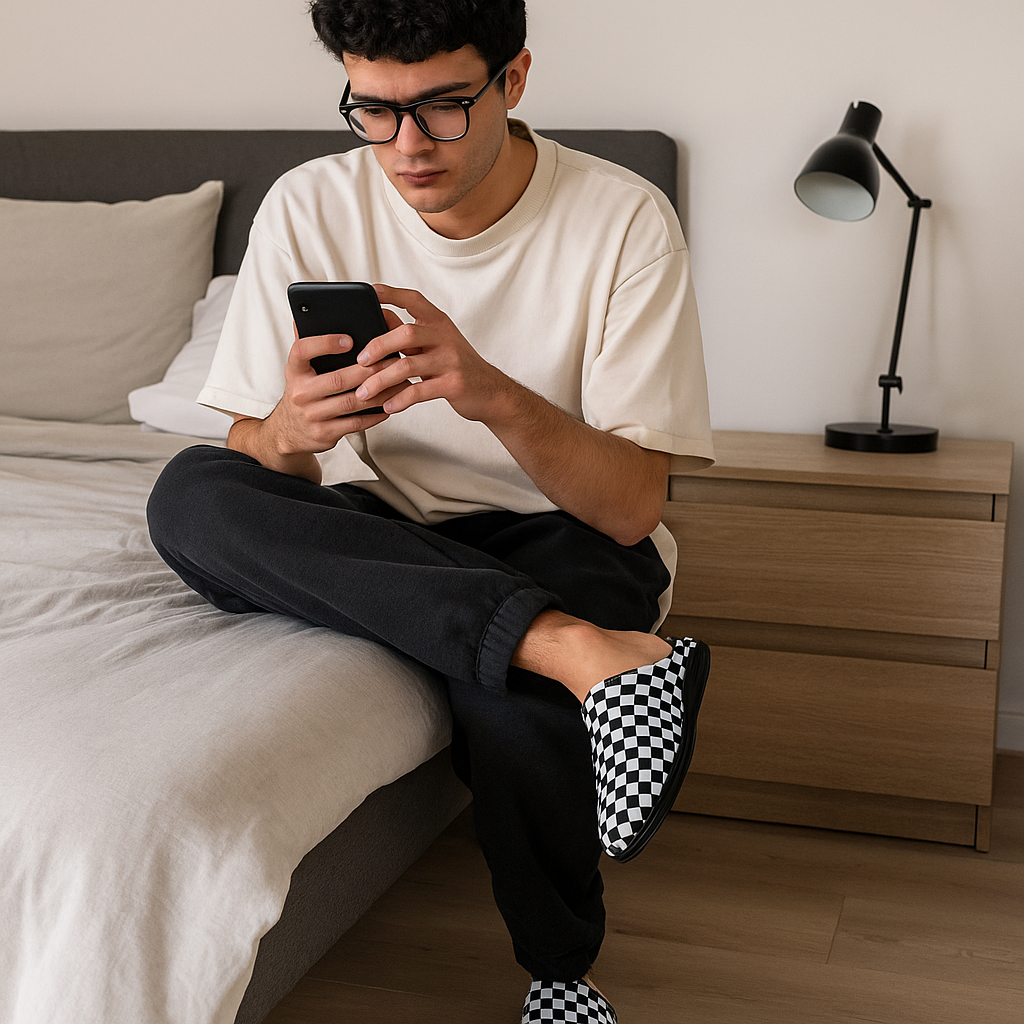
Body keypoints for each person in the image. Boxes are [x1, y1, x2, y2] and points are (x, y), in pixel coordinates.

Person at [147, 2, 715, 1020]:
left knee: (509, 700)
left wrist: (487, 390)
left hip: (557, 526)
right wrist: (293, 429)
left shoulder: (623, 218)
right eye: (374, 110)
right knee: (191, 491)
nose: (406, 148)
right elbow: (256, 456)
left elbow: (632, 509)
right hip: (373, 524)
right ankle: (581, 650)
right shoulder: (306, 202)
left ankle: (557, 976)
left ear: (515, 79)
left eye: (445, 107)